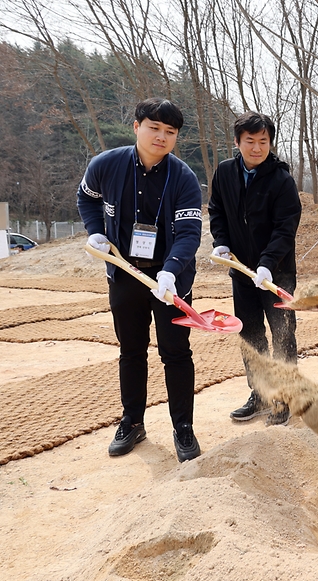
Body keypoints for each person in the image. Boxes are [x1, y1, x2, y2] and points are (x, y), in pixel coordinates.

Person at [77, 98, 203, 462]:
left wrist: (172, 269)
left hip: (169, 280)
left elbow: (189, 232)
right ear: (136, 127)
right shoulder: (106, 165)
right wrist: (95, 232)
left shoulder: (183, 179)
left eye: (170, 132)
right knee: (131, 351)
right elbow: (86, 199)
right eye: (154, 128)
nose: (161, 137)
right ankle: (132, 422)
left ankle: (183, 427)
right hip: (124, 273)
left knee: (176, 353)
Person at [208, 111, 301, 426]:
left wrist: (266, 264)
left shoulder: (281, 180)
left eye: (264, 141)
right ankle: (259, 392)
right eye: (250, 141)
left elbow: (285, 230)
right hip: (241, 270)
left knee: (282, 334)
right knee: (250, 334)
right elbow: (216, 210)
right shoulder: (224, 173)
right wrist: (221, 241)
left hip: (277, 273)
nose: (258, 148)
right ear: (237, 142)